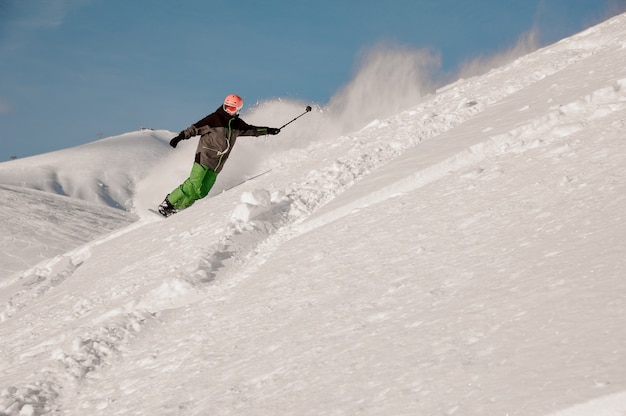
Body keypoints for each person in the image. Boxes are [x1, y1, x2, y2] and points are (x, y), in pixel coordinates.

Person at [158, 94, 281, 217]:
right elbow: (195, 128)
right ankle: (169, 203)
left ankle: (178, 209)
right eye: (227, 107)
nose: (228, 110)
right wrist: (180, 137)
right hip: (204, 157)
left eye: (232, 109)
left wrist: (269, 130)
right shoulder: (214, 119)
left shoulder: (237, 125)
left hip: (217, 164)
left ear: (238, 109)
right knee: (193, 184)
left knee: (202, 192)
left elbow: (253, 130)